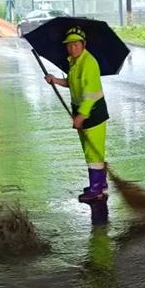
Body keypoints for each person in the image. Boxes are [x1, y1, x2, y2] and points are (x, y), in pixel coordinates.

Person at [44, 27, 109, 203]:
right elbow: (72, 83)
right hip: (82, 113)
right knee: (91, 150)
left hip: (93, 114)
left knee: (93, 152)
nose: (72, 48)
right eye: (69, 45)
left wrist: (81, 116)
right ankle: (100, 185)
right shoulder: (74, 62)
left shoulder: (89, 64)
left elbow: (90, 94)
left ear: (83, 44)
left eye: (76, 44)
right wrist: (55, 80)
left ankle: (96, 189)